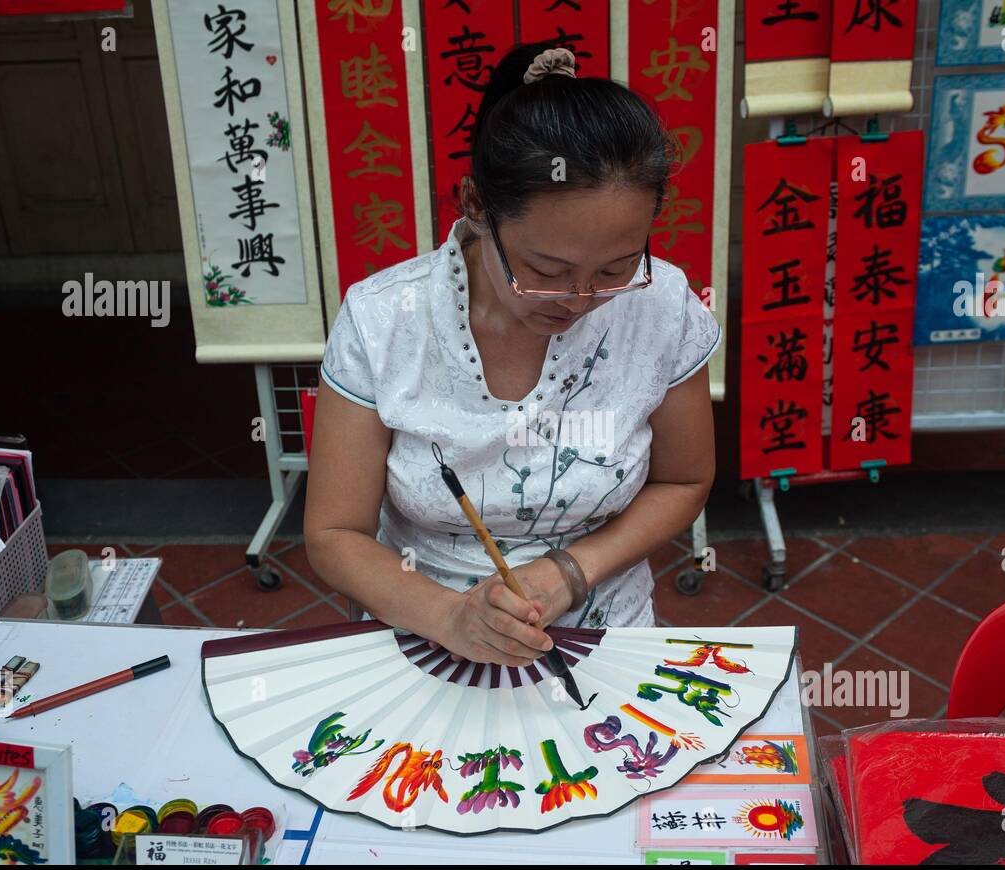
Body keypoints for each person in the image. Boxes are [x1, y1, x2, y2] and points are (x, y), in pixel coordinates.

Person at [304, 42, 719, 667]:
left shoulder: (661, 305)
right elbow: (335, 534)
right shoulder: (385, 318)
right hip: (420, 632)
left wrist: (570, 572)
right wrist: (450, 616)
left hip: (605, 629)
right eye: (545, 270)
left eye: (615, 267)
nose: (580, 299)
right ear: (476, 207)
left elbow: (684, 479)